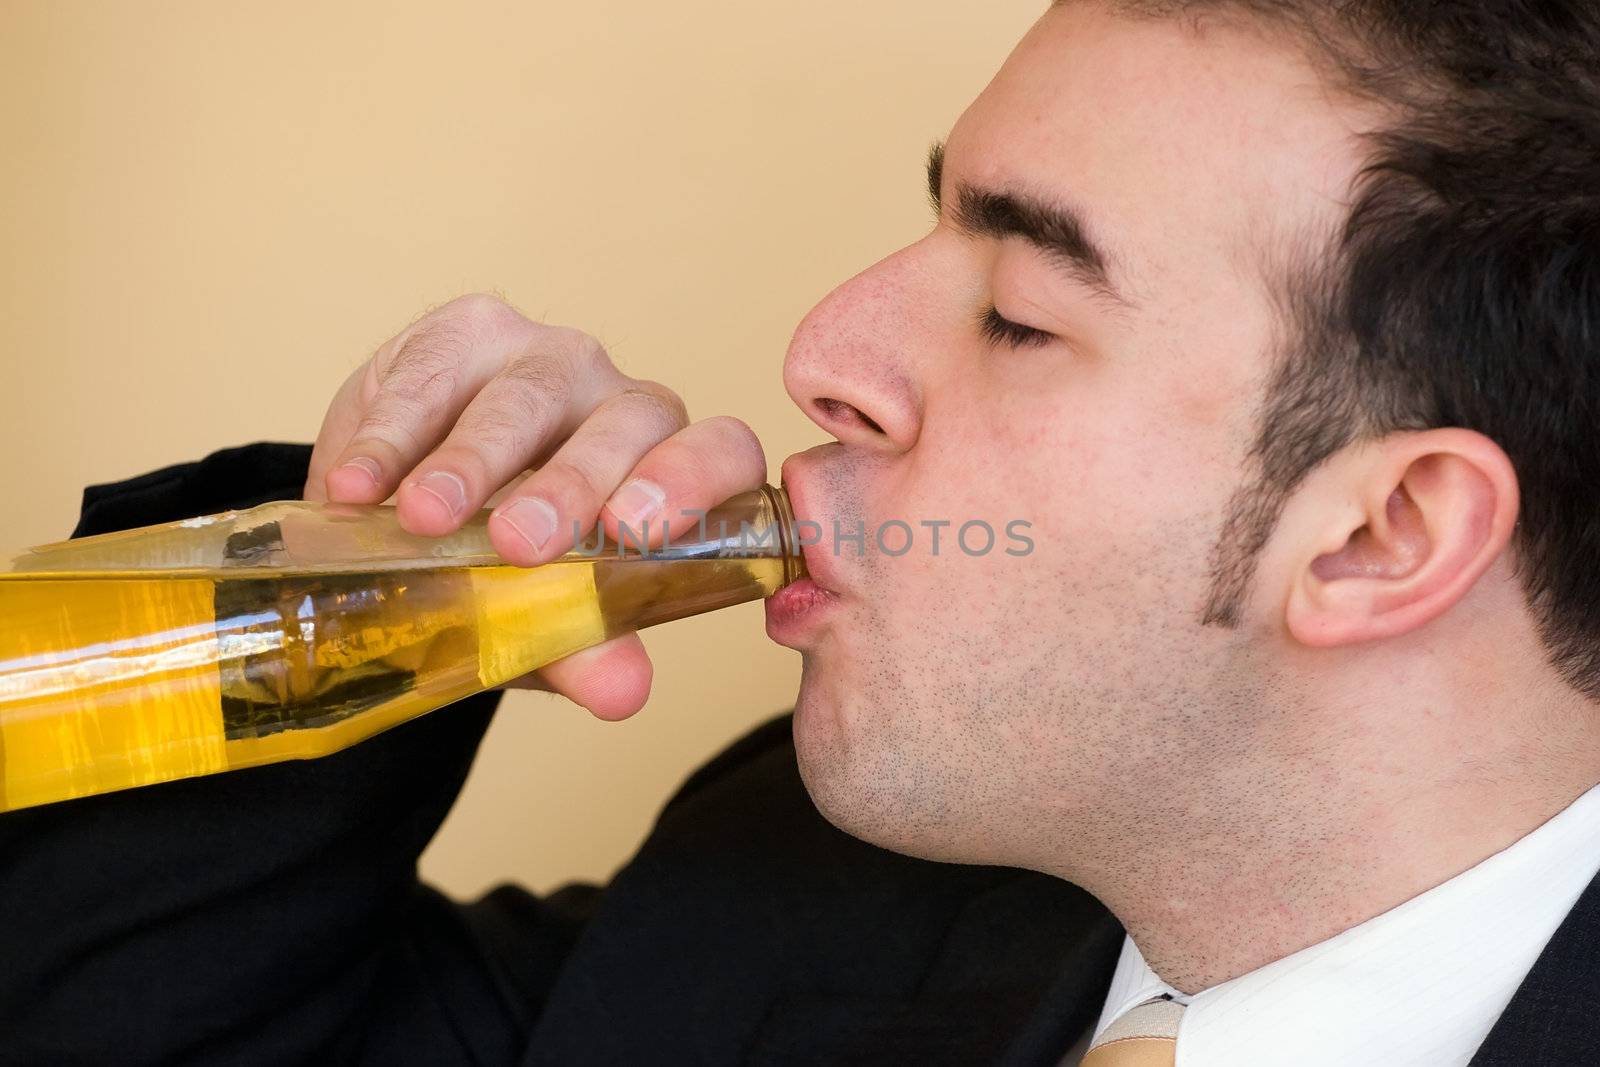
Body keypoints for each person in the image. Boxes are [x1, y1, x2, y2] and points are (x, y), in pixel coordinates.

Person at [6, 1, 1600, 1063]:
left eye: (1021, 312)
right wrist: (355, 539)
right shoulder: (782, 888)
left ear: (1384, 536)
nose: (823, 354)